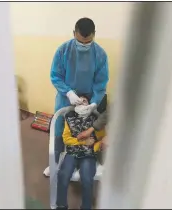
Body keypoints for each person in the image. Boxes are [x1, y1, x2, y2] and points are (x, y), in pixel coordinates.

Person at [43, 17, 109, 176]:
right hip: (65, 98)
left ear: (94, 35)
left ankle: (80, 163)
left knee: (83, 132)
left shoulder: (100, 54)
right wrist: (69, 92)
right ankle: (54, 162)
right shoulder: (63, 51)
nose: (84, 45)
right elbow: (55, 76)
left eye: (88, 42)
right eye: (80, 42)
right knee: (60, 130)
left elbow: (101, 83)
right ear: (74, 33)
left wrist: (93, 103)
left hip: (88, 100)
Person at [56, 96, 105, 209]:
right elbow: (66, 139)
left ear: (89, 104)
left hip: (88, 154)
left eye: (84, 100)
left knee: (87, 178)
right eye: (79, 101)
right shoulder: (69, 118)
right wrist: (83, 142)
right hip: (72, 152)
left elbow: (102, 139)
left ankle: (86, 207)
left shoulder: (96, 120)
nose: (82, 103)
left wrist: (93, 147)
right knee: (63, 175)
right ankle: (61, 206)